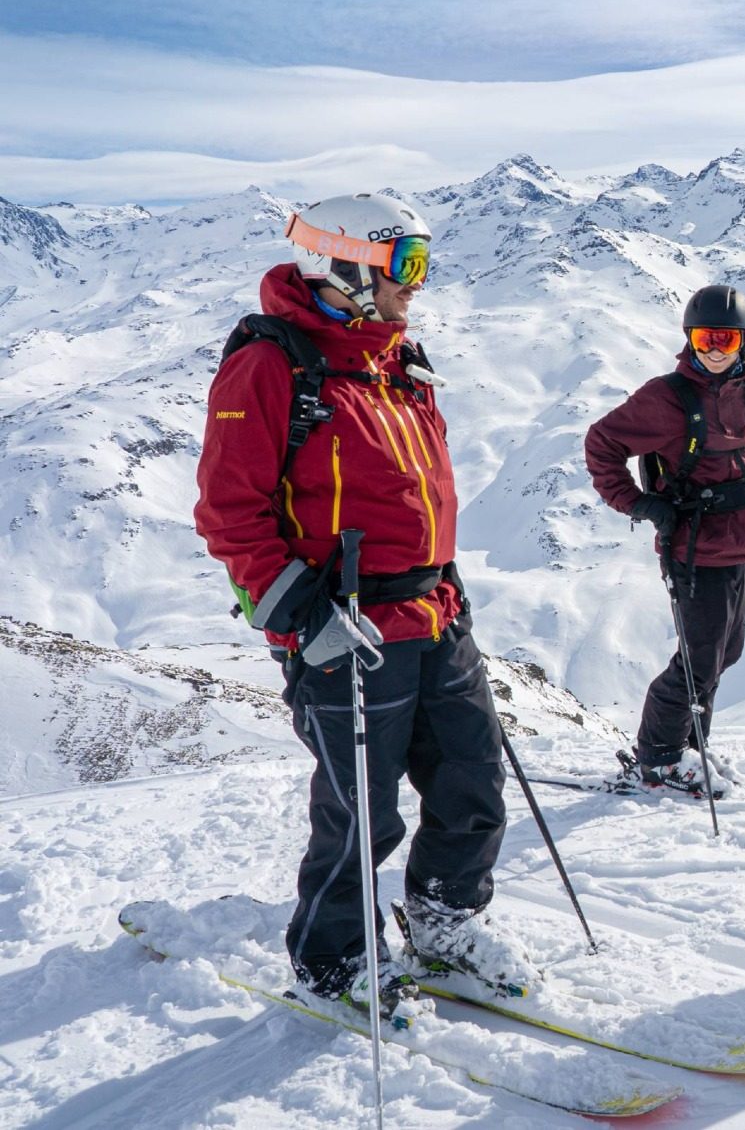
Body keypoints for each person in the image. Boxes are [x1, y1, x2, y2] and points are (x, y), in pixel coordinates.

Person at [194, 193, 530, 1018]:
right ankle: (332, 961)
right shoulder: (273, 364)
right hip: (343, 628)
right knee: (360, 813)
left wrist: (445, 581)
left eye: (422, 263)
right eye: (406, 265)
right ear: (347, 265)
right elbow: (227, 512)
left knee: (473, 784)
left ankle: (443, 926)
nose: (419, 283)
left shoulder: (397, 361)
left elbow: (417, 495)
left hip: (433, 613)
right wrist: (303, 619)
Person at [584, 284, 745, 796]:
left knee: (725, 652)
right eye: (703, 338)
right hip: (695, 547)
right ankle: (660, 759)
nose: (714, 350)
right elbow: (602, 443)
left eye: (726, 339)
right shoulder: (666, 398)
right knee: (699, 659)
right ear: (688, 339)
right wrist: (638, 502)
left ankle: (690, 747)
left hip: (744, 537)